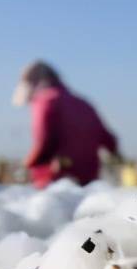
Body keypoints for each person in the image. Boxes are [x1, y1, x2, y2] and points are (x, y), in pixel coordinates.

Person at [12, 60, 119, 188]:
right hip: (89, 184)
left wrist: (26, 165)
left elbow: (44, 143)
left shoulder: (45, 102)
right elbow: (110, 142)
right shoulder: (84, 104)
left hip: (57, 182)